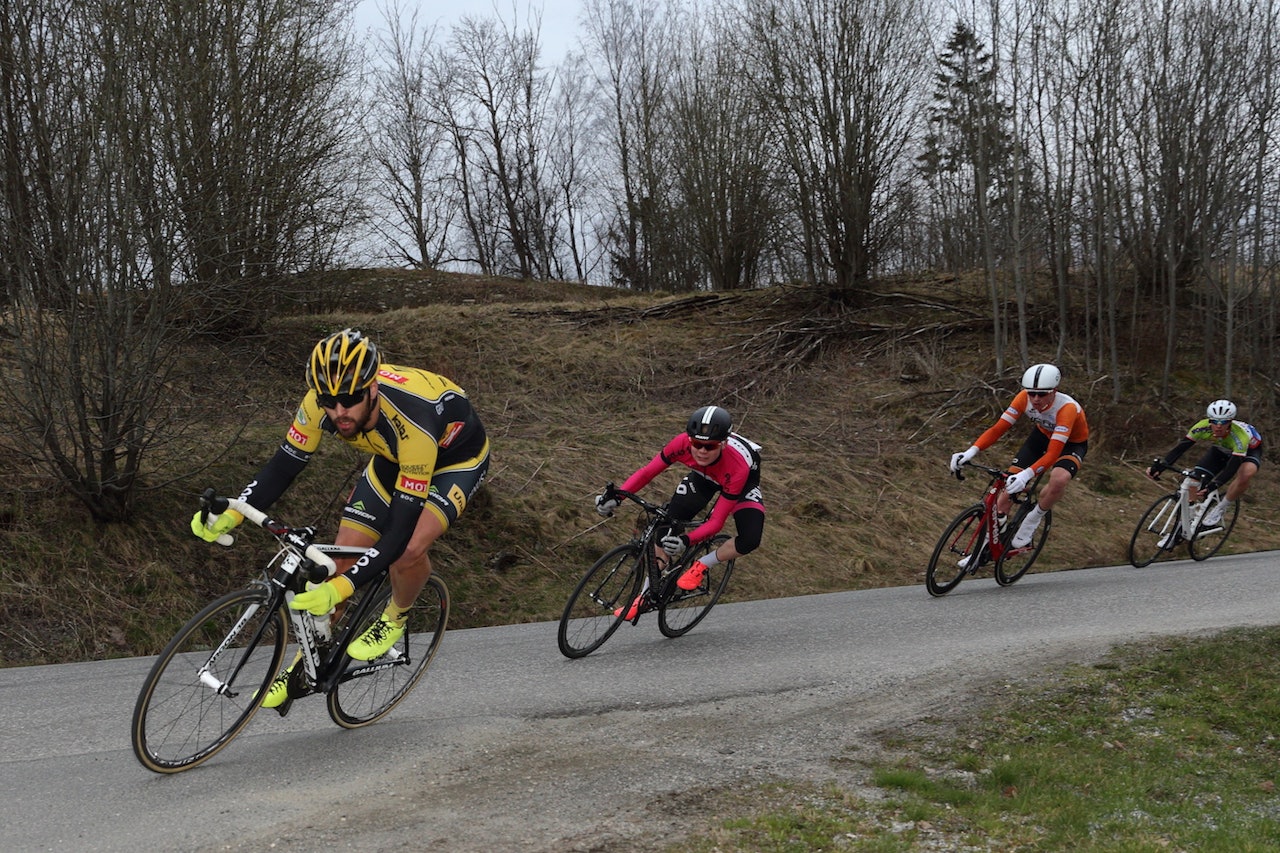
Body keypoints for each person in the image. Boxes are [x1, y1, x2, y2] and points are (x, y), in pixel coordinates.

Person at [191, 328, 489, 709]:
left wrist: (344, 588)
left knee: (408, 549)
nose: (338, 412)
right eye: (329, 401)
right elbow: (285, 466)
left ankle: (395, 617)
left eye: (348, 400)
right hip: (391, 459)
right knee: (338, 562)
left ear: (372, 390)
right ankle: (302, 667)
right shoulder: (321, 403)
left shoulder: (412, 422)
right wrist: (235, 511)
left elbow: (396, 533)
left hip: (453, 462)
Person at [595, 405, 764, 621]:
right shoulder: (681, 443)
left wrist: (687, 540)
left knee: (750, 538)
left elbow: (717, 521)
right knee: (665, 528)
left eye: (710, 446)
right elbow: (647, 473)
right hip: (702, 478)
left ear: (723, 444)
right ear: (689, 439)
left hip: (739, 483)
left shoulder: (737, 466)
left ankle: (702, 564)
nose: (702, 451)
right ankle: (645, 595)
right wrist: (618, 497)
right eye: (697, 444)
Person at [948, 363, 1089, 554]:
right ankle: (984, 549)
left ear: (1054, 391)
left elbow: (1053, 454)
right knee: (1007, 487)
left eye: (1042, 394)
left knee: (1059, 479)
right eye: (1031, 393)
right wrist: (970, 451)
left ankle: (1032, 520)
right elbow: (998, 429)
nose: (1036, 399)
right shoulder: (1024, 398)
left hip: (1071, 444)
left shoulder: (1067, 408)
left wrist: (1026, 475)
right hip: (1041, 437)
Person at [1146, 399, 1263, 527]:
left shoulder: (1240, 436)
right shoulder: (1201, 427)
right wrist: (1161, 466)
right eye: (1214, 421)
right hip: (1221, 448)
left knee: (1245, 474)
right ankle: (1187, 521)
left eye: (1223, 422)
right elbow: (1181, 448)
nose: (1218, 426)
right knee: (1194, 479)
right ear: (1209, 421)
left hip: (1249, 450)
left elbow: (1232, 467)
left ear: (1230, 422)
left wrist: (1214, 485)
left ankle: (1221, 507)